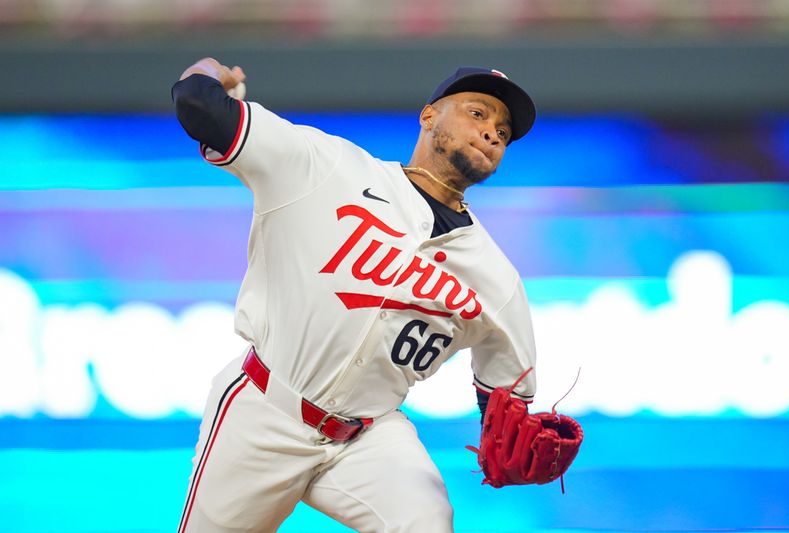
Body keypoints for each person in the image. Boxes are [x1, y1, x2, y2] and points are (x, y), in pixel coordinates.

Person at [171, 57, 538, 533]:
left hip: (367, 437)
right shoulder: (329, 166)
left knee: (427, 521)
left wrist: (510, 435)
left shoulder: (496, 278)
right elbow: (199, 105)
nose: (492, 132)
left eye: (503, 132)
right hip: (264, 411)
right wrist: (202, 72)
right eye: (477, 113)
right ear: (429, 116)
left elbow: (506, 398)